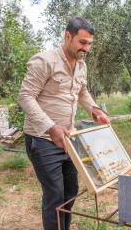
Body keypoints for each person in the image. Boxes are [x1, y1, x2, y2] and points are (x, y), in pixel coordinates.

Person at [18, 17, 110, 230]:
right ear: (68, 36)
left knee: (70, 192)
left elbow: (83, 92)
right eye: (82, 42)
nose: (86, 48)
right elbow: (25, 97)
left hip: (69, 138)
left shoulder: (81, 66)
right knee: (55, 195)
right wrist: (51, 127)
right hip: (42, 139)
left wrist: (95, 109)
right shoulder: (44, 61)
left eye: (89, 44)